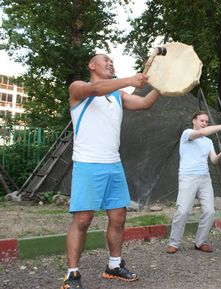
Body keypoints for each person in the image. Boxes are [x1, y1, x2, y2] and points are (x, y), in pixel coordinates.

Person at [61, 53, 161, 289]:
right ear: (91, 64)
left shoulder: (118, 95)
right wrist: (129, 79)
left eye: (112, 61)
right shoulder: (78, 88)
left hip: (113, 164)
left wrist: (164, 85)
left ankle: (114, 266)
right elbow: (97, 89)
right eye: (104, 60)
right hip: (88, 164)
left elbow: (145, 103)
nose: (110, 63)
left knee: (118, 218)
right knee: (83, 220)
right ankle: (72, 274)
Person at [166, 111, 221, 254]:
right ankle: (174, 243)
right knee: (183, 211)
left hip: (205, 178)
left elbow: (214, 161)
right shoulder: (187, 134)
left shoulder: (208, 142)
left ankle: (200, 242)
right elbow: (202, 132)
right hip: (188, 177)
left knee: (210, 211)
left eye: (206, 121)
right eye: (201, 120)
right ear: (194, 121)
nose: (204, 123)